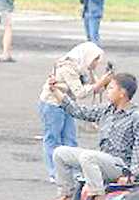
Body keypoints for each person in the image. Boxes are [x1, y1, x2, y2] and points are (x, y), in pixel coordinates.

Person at [44, 73, 139, 200]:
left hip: (120, 166)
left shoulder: (137, 119)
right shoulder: (107, 110)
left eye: (111, 88)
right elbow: (78, 111)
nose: (107, 91)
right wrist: (56, 92)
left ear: (122, 93)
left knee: (89, 157)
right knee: (60, 153)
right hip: (102, 159)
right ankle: (66, 196)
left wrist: (131, 176)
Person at [38, 42, 109, 182]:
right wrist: (99, 84)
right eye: (95, 60)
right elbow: (80, 92)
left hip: (67, 105)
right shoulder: (68, 67)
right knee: (53, 138)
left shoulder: (83, 68)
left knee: (70, 139)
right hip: (53, 104)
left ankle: (74, 173)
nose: (96, 64)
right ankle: (55, 173)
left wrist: (101, 82)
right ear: (87, 57)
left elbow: (96, 89)